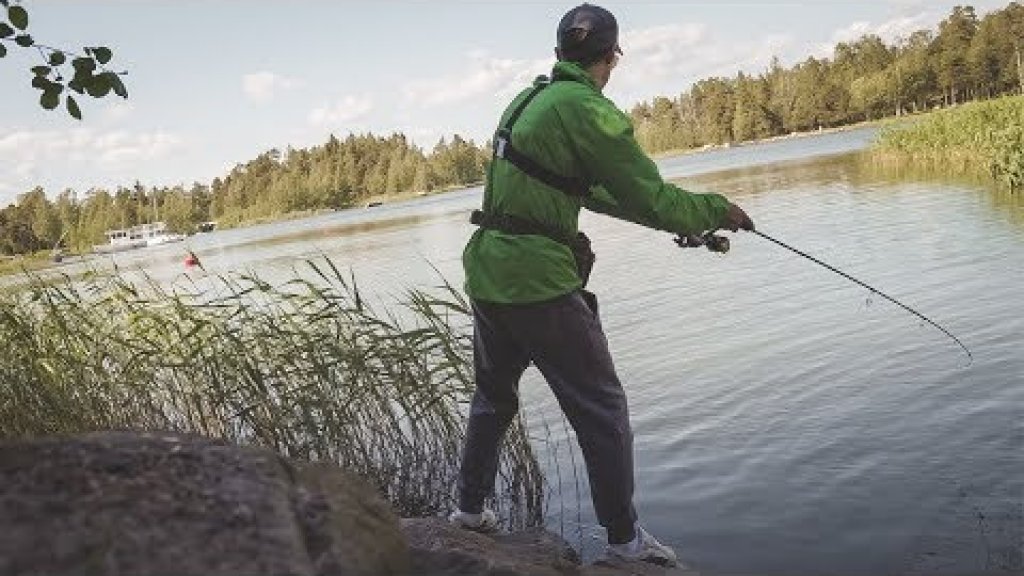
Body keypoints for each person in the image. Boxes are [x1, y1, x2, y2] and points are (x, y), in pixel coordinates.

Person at [449, 2, 754, 567]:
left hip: (489, 273)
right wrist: (717, 209)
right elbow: (651, 197)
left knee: (493, 396)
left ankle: (469, 510)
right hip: (538, 281)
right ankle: (625, 542)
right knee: (603, 408)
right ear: (611, 57)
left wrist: (687, 219)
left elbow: (592, 193)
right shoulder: (588, 109)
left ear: (560, 52)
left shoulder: (531, 100)